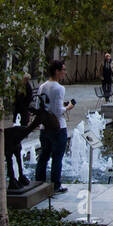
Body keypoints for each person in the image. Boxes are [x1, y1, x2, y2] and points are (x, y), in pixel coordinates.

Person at [35, 60, 74, 194]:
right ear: (57, 71)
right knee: (57, 157)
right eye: (63, 70)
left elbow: (38, 106)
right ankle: (55, 185)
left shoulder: (42, 86)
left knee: (44, 156)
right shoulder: (59, 88)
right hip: (58, 127)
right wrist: (68, 107)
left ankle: (39, 182)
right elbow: (58, 111)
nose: (65, 72)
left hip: (45, 126)